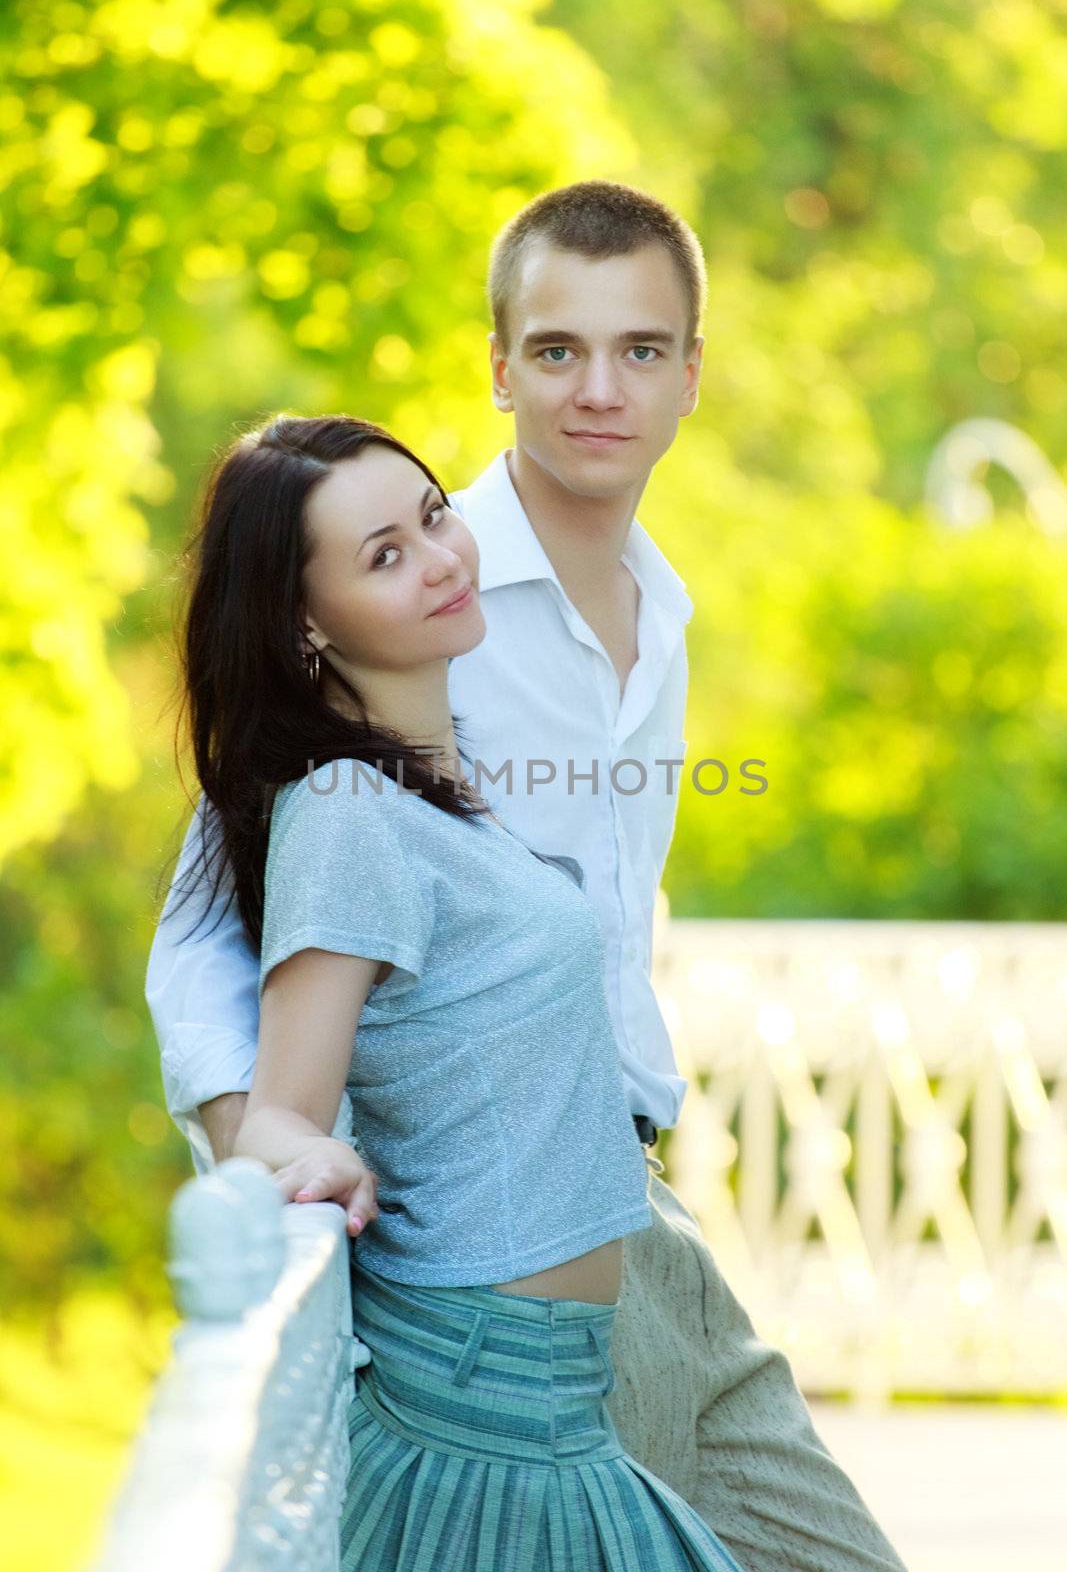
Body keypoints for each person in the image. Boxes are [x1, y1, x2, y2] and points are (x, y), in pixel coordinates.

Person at [148, 180, 906, 1572]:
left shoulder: (659, 614)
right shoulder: (404, 612)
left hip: (640, 1218)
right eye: (555, 350)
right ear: (498, 366)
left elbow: (597, 924)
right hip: (500, 1272)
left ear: (692, 372)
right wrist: (265, 1141)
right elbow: (206, 940)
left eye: (640, 350)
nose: (595, 392)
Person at [169, 409, 745, 1569]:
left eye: (432, 517)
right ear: (302, 628)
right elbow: (283, 1100)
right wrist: (292, 1152)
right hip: (486, 1397)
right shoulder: (344, 814)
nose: (440, 558)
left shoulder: (442, 800)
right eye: (383, 555)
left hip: (555, 1398)